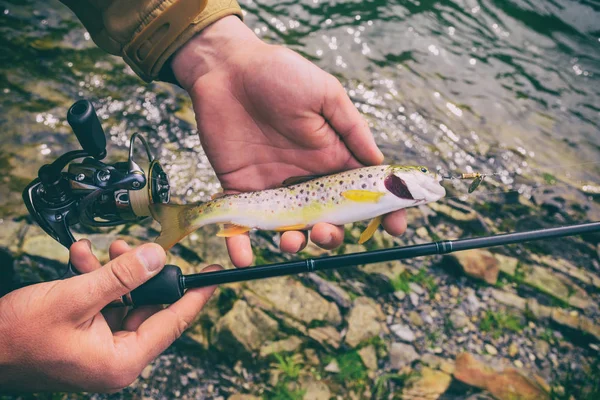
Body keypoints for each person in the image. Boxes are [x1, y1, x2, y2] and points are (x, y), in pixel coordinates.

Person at [0, 0, 408, 393]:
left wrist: (220, 54)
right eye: (421, 173)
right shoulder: (382, 180)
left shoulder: (383, 189)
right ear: (399, 178)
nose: (426, 179)